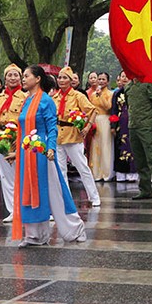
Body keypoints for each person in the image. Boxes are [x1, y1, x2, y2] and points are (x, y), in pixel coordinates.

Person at [11, 65, 86, 247]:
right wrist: (16, 151)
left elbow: (52, 127)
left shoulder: (46, 101)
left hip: (43, 151)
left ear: (37, 79)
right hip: (26, 151)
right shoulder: (26, 101)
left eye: (26, 76)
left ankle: (75, 228)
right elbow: (23, 128)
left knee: (54, 191)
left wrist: (51, 148)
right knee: (28, 190)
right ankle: (35, 235)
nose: (23, 79)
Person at [0, 64, 28, 222]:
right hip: (0, 138)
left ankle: (25, 208)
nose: (13, 78)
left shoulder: (25, 97)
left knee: (21, 175)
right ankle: (12, 210)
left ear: (21, 78)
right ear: (5, 78)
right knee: (6, 176)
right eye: (9, 75)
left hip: (18, 138)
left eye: (16, 75)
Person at [52, 67, 100, 206]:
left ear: (71, 80)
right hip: (58, 135)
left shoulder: (78, 96)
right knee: (60, 170)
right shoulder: (54, 97)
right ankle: (66, 198)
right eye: (59, 77)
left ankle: (94, 196)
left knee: (82, 167)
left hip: (73, 136)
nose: (61, 80)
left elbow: (92, 110)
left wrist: (87, 126)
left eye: (65, 78)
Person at [125, 77, 152, 202]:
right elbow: (129, 107)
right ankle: (145, 190)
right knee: (140, 160)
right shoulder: (128, 86)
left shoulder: (149, 84)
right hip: (133, 126)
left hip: (147, 126)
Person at [111, 70, 137, 181]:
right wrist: (113, 125)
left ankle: (134, 173)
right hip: (121, 124)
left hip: (135, 122)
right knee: (120, 147)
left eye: (127, 76)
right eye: (123, 76)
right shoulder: (117, 93)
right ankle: (121, 174)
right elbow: (114, 110)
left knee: (134, 147)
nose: (125, 78)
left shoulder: (136, 91)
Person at [89, 72, 114, 181]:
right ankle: (96, 173)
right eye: (99, 79)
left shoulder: (110, 94)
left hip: (105, 120)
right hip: (95, 120)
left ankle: (106, 173)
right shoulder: (93, 94)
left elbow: (108, 107)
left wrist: (101, 96)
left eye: (103, 79)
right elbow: (91, 107)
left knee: (105, 145)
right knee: (95, 146)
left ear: (107, 81)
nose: (101, 81)